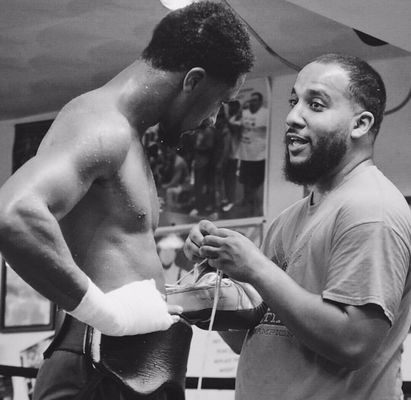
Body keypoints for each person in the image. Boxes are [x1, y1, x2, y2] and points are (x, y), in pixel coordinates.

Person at [0, 2, 254, 399]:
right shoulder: (102, 126)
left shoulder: (128, 137)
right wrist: (106, 315)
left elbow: (116, 263)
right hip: (97, 369)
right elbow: (14, 214)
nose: (213, 120)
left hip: (137, 368)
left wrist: (185, 288)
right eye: (220, 101)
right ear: (193, 80)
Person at [183, 53, 411, 399]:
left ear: (360, 124)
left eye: (315, 105)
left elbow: (354, 344)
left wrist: (256, 267)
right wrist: (214, 278)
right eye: (293, 102)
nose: (292, 117)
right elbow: (254, 338)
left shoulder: (371, 209)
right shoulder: (288, 220)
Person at [238, 91, 268, 216]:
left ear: (260, 102)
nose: (252, 102)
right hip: (245, 152)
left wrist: (254, 129)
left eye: (255, 100)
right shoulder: (244, 113)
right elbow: (238, 125)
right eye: (251, 100)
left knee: (256, 181)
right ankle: (246, 200)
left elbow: (265, 129)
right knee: (245, 179)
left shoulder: (265, 113)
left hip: (259, 154)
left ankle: (255, 204)